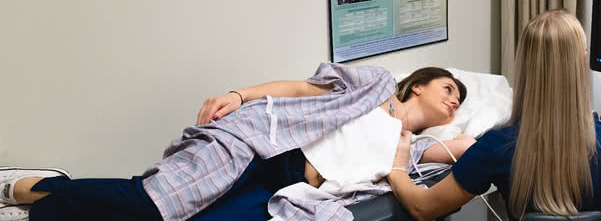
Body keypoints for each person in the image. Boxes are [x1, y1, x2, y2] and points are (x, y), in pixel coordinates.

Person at [0, 66, 473, 221]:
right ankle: (30, 188)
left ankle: (49, 198)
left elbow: (468, 148)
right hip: (261, 144)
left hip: (286, 190)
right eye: (449, 88)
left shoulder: (408, 152)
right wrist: (238, 95)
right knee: (152, 205)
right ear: (419, 85)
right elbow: (303, 90)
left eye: (460, 99)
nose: (454, 100)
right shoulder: (376, 84)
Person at [386, 10, 601, 221]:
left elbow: (423, 209)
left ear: (525, 67)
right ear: (581, 62)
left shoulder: (496, 147)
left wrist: (398, 169)